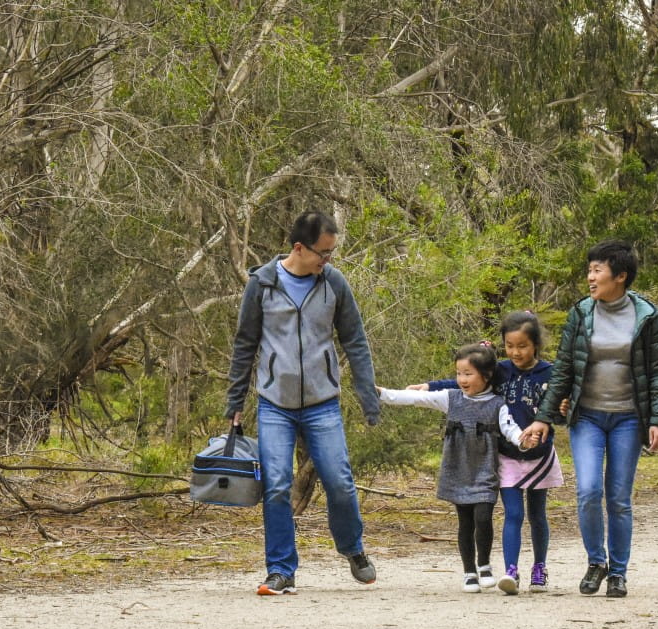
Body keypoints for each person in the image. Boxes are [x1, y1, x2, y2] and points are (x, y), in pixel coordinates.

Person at [225, 211, 380, 597]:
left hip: (322, 402)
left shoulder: (333, 283)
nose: (327, 260)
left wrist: (366, 394)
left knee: (339, 483)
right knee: (276, 485)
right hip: (274, 403)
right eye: (323, 253)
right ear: (299, 248)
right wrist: (235, 400)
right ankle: (280, 570)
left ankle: (352, 548)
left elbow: (355, 340)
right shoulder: (262, 284)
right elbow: (245, 345)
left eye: (331, 253)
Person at [521, 240, 658, 599]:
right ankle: (596, 562)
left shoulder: (647, 315)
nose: (590, 277)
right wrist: (544, 417)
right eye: (589, 270)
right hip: (586, 416)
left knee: (618, 497)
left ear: (620, 276)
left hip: (628, 419)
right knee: (588, 490)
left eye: (597, 270)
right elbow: (562, 372)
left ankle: (618, 573)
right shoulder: (581, 313)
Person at [409, 311, 564, 594]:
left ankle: (539, 568)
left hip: (539, 455)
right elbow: (467, 382)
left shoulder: (550, 374)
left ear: (535, 345)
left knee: (538, 514)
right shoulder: (501, 370)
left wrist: (563, 412)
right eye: (510, 345)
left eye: (522, 346)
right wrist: (431, 386)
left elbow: (560, 411)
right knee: (513, 513)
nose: (515, 352)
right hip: (506, 455)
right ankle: (511, 572)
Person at [379, 343, 531, 593]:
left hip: (484, 471)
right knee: (465, 522)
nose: (462, 379)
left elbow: (510, 428)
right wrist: (383, 394)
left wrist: (523, 440)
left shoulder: (497, 404)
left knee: (483, 518)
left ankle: (484, 565)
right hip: (457, 470)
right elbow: (417, 398)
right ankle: (469, 571)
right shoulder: (451, 398)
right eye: (459, 373)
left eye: (468, 374)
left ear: (486, 375)